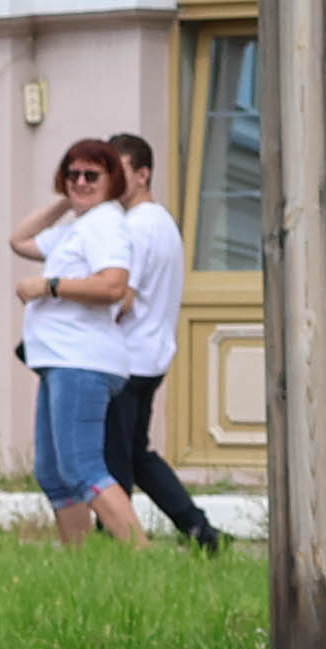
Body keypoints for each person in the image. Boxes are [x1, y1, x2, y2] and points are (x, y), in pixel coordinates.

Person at [75, 133, 227, 556]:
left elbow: (121, 295)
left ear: (143, 175)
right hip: (152, 356)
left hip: (125, 359)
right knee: (137, 455)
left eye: (119, 173)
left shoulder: (134, 228)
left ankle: (117, 546)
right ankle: (200, 532)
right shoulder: (162, 222)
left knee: (113, 461)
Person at [11, 138, 119, 544]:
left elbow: (113, 285)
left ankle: (140, 554)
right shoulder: (80, 226)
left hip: (82, 360)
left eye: (92, 175)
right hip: (59, 359)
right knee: (55, 474)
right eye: (73, 174)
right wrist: (65, 201)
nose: (81, 181)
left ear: (113, 180)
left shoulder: (106, 224)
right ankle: (83, 566)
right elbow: (19, 240)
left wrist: (49, 286)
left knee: (82, 469)